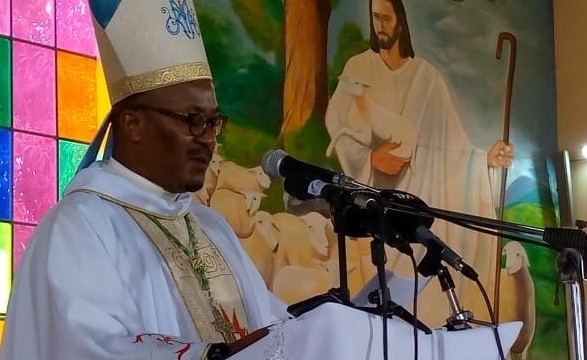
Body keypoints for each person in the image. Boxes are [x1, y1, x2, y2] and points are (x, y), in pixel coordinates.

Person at [0, 1, 288, 359]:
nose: (209, 138)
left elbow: (276, 328)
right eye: (192, 120)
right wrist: (213, 354)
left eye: (213, 122)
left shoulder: (213, 228)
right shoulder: (78, 228)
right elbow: (86, 348)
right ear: (133, 124)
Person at [325, 0, 514, 325]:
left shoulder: (427, 79)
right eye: (375, 18)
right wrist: (370, 157)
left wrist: (485, 160)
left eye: (387, 18)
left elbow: (450, 149)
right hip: (379, 218)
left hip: (420, 213)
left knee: (426, 316)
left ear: (401, 21)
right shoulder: (358, 68)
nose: (380, 25)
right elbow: (337, 125)